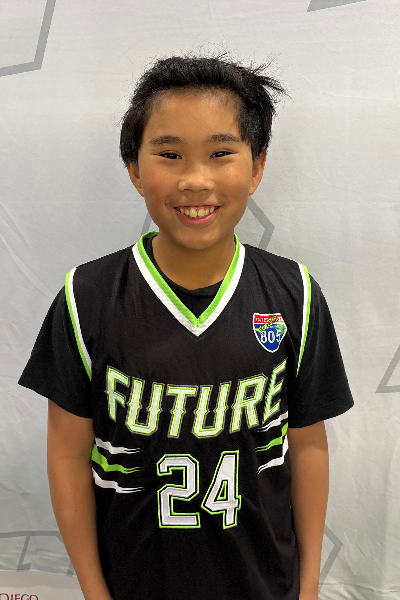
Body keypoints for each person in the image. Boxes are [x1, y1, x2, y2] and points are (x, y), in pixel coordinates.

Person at [18, 53, 354, 600]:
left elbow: (308, 447)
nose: (196, 180)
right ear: (135, 169)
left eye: (221, 153)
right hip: (134, 583)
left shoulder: (295, 294)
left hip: (264, 584)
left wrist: (310, 586)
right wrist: (95, 592)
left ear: (257, 166)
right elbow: (67, 455)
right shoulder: (87, 298)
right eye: (169, 154)